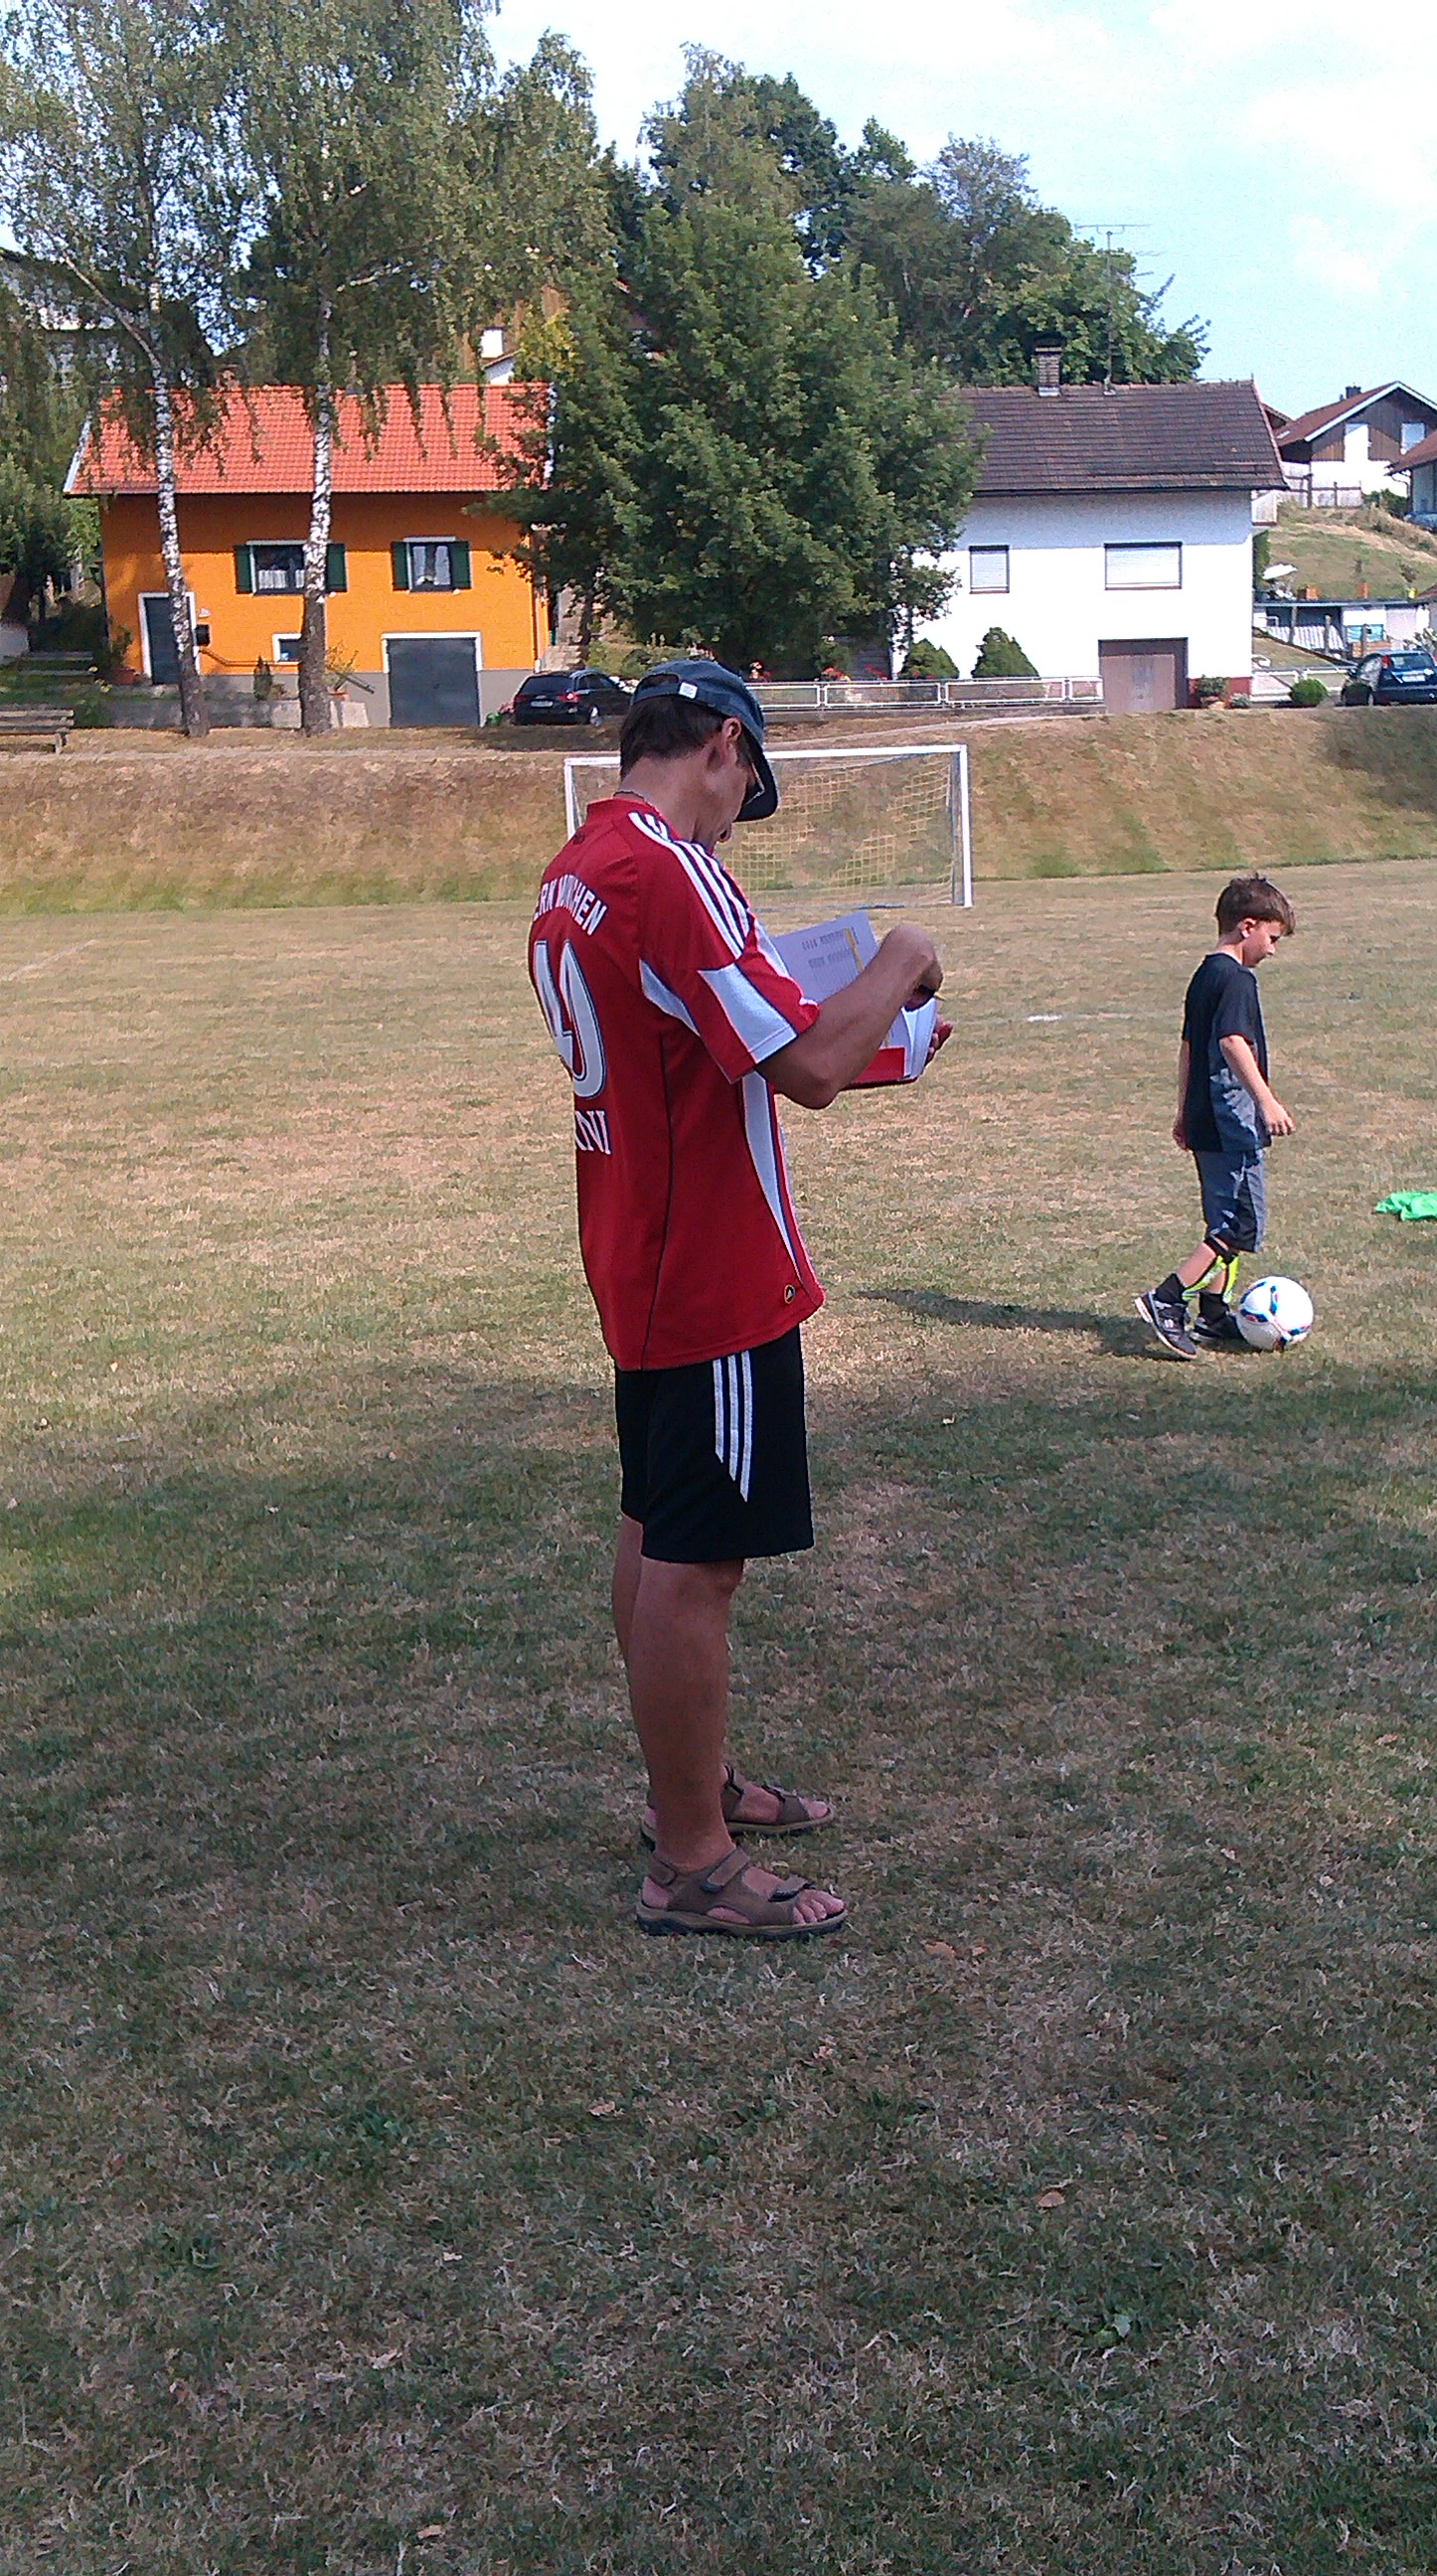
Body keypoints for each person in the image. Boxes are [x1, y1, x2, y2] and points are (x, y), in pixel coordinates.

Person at [528, 658, 945, 1939]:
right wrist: (901, 962)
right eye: (743, 788)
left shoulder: (578, 867)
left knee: (654, 1528)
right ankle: (693, 1861)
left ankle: (688, 1792)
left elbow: (727, 1047)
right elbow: (804, 1063)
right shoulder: (671, 869)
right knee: (696, 1563)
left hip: (641, 1244)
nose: (736, 820)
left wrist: (882, 1036)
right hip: (709, 1261)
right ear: (721, 744)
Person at [1135, 874, 1297, 1361]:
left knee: (1226, 1219)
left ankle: (1212, 1311)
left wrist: (1183, 1110)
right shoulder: (1237, 979)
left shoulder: (1205, 973)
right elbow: (1231, 1041)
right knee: (1237, 1224)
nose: (1272, 950)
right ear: (1247, 927)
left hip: (1206, 1115)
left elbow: (1189, 1047)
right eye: (1272, 938)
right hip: (1232, 1121)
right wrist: (1266, 1100)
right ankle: (1167, 1299)